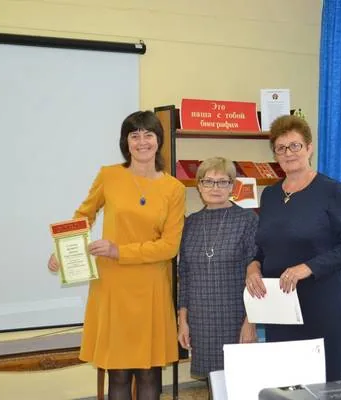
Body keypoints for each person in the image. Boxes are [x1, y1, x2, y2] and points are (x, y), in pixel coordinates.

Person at [48, 111, 185, 400]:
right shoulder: (108, 176)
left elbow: (169, 247)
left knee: (149, 373)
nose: (142, 141)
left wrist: (118, 250)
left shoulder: (174, 189)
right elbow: (83, 216)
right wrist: (64, 249)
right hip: (112, 287)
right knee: (118, 373)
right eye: (134, 135)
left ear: (159, 140)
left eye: (148, 134)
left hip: (151, 288)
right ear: (126, 142)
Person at [245, 115, 341, 382]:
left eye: (295, 145)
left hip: (320, 302)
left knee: (322, 382)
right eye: (281, 148)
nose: (288, 153)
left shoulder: (331, 190)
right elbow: (263, 248)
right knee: (285, 382)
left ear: (309, 148)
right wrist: (252, 267)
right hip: (280, 305)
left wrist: (307, 268)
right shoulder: (270, 195)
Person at [177, 157, 258, 379]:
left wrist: (251, 322)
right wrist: (183, 321)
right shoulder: (190, 223)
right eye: (208, 182)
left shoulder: (247, 220)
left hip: (236, 317)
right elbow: (184, 275)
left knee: (237, 382)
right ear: (199, 186)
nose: (215, 188)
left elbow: (256, 275)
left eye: (222, 182)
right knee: (212, 382)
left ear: (232, 186)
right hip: (200, 320)